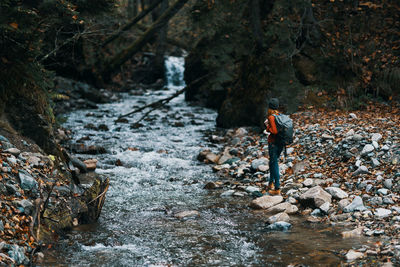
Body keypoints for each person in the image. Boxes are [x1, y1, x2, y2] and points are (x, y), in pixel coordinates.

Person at [264, 98, 284, 195]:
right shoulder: (280, 115)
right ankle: (270, 183)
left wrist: (267, 126)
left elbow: (274, 131)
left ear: (270, 107)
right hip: (280, 143)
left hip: (273, 143)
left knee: (274, 163)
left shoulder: (271, 117)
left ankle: (277, 187)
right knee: (272, 162)